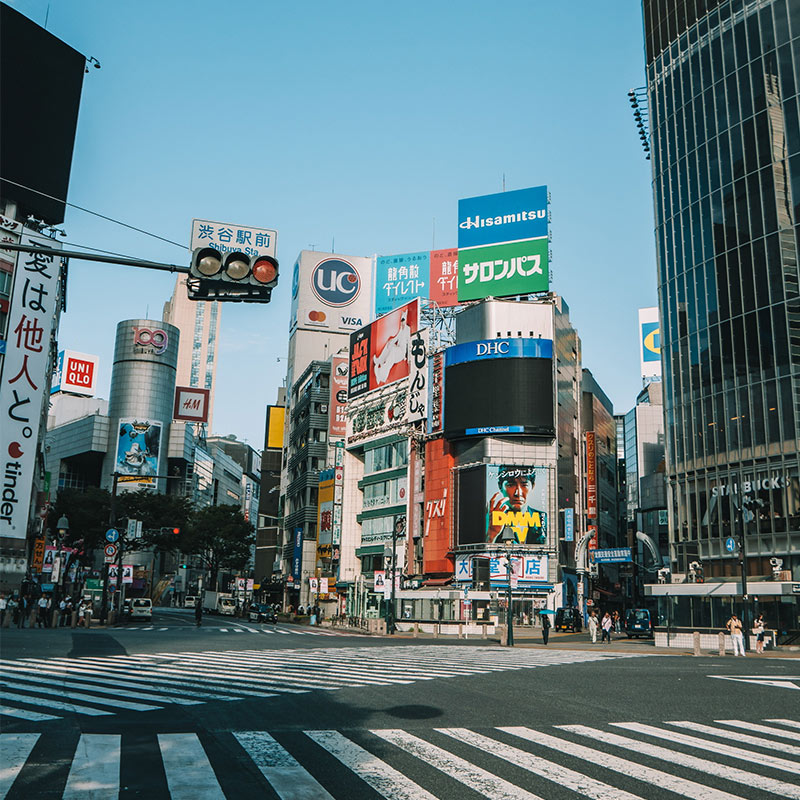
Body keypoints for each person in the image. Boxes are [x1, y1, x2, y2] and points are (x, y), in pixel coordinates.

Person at [486, 465, 546, 544]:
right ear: (500, 486)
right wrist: (491, 535)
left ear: (533, 486)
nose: (518, 493)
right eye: (510, 485)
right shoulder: (490, 521)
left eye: (524, 485)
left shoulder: (544, 519)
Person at [372, 306, 412, 385]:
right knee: (390, 345)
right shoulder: (401, 329)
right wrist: (390, 342)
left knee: (392, 353)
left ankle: (383, 375)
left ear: (405, 320)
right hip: (398, 349)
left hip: (402, 353)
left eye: (403, 320)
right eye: (401, 321)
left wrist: (408, 358)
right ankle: (380, 361)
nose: (402, 323)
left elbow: (409, 344)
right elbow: (396, 338)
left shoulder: (408, 330)